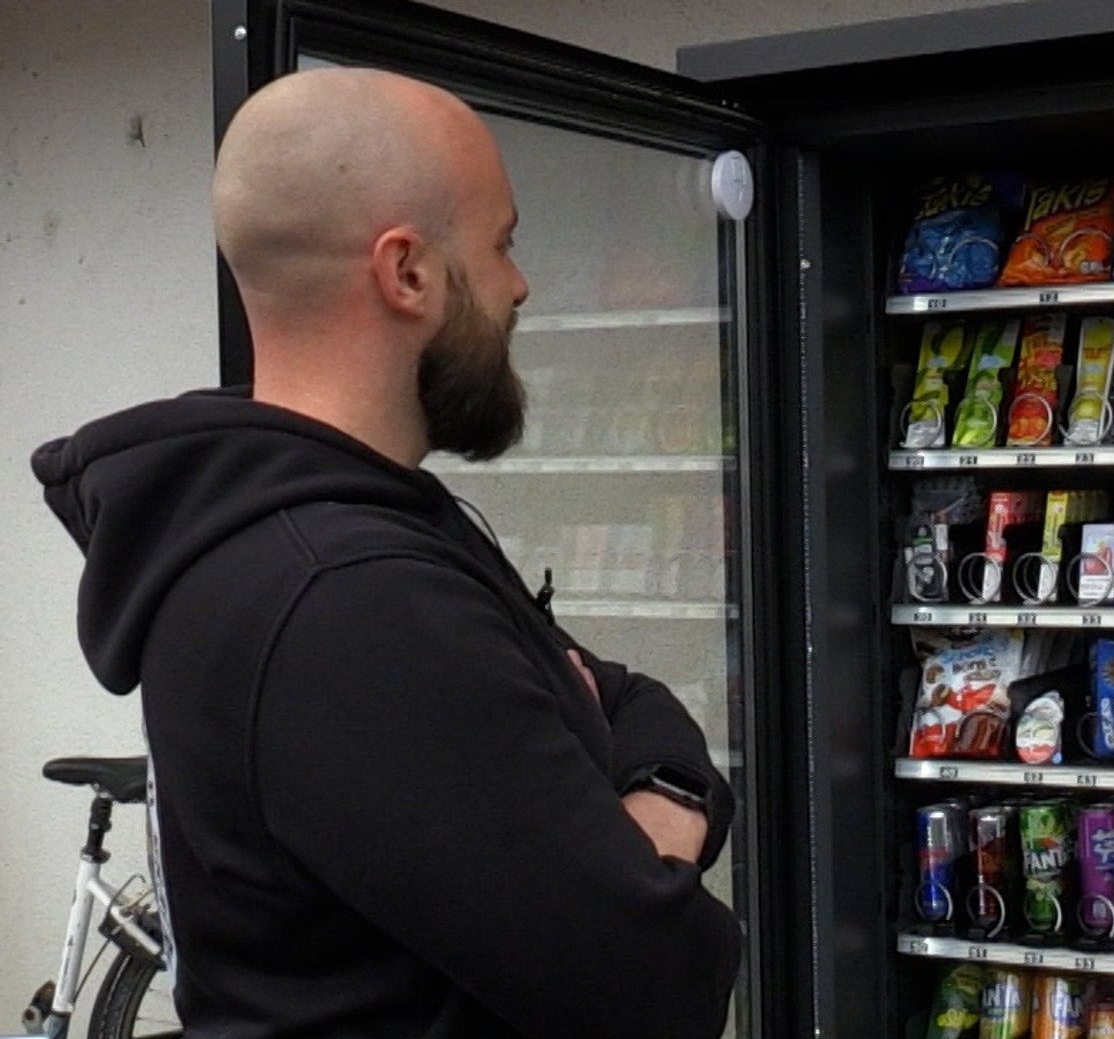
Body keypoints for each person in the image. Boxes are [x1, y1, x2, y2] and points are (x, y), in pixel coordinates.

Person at [32, 67, 743, 1037]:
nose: (520, 284)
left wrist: (655, 784)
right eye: (500, 244)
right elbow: (657, 985)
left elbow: (624, 696)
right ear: (405, 272)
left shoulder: (320, 537)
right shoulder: (348, 601)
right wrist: (661, 830)